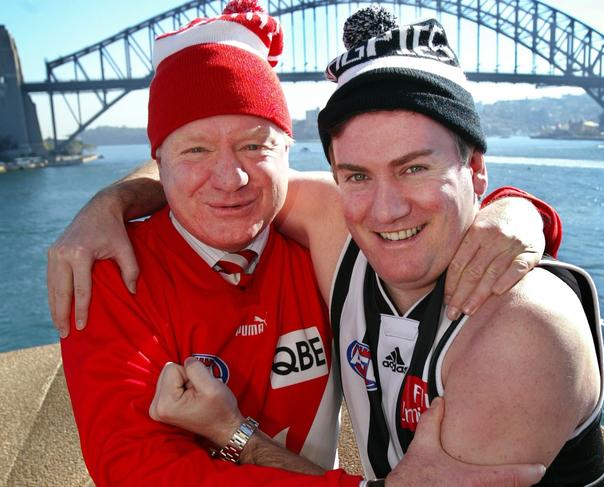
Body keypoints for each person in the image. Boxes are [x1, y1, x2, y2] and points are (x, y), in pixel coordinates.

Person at [53, 3, 557, 486]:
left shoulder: (318, 235)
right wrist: (113, 198)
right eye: (195, 150)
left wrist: (518, 209)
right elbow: (136, 470)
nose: (230, 178)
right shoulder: (111, 272)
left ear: (288, 154)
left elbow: (435, 202)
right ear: (159, 163)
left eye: (255, 145)